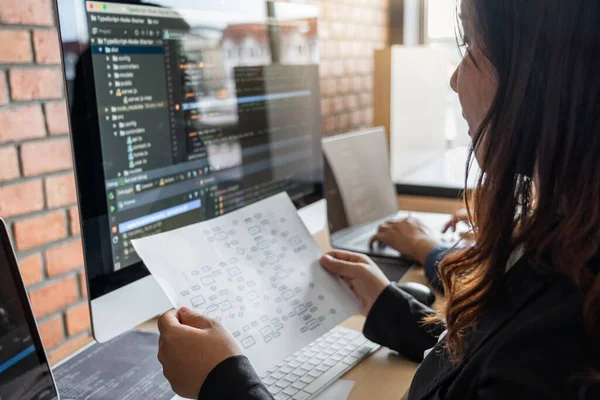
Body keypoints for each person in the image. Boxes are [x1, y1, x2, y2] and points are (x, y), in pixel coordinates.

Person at [156, 0, 600, 398]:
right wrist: (389, 308)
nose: (453, 79)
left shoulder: (564, 335)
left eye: (471, 48)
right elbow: (483, 361)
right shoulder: (563, 239)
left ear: (543, 75)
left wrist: (222, 383)